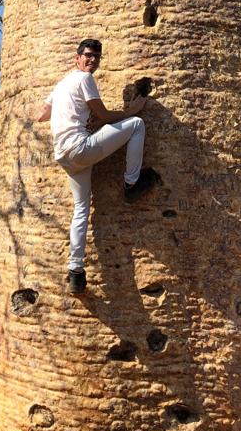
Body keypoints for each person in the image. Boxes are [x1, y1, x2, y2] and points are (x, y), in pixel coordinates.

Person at [37, 38, 159, 294]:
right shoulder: (84, 79)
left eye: (97, 56)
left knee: (81, 208)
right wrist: (133, 109)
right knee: (136, 125)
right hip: (79, 148)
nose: (93, 60)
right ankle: (131, 183)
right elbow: (104, 116)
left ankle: (76, 271)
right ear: (77, 57)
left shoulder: (62, 84)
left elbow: (41, 114)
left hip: (64, 155)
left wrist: (67, 110)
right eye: (89, 55)